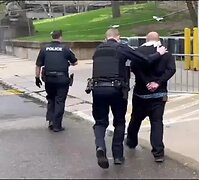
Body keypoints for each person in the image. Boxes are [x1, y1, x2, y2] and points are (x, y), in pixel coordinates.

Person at [90, 28, 167, 169]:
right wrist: (159, 53)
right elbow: (145, 59)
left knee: (100, 122)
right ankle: (118, 156)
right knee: (119, 122)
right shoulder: (121, 47)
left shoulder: (98, 50)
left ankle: (100, 147)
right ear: (118, 37)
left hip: (97, 88)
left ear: (106, 37)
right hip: (116, 89)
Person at [125, 32, 176, 163]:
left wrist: (147, 82)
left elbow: (135, 68)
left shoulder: (138, 51)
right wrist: (158, 82)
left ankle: (131, 141)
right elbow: (171, 69)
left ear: (146, 39)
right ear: (158, 40)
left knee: (135, 118)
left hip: (141, 93)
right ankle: (158, 152)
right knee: (157, 122)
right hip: (159, 94)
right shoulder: (166, 52)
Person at [35, 30, 78, 132]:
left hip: (49, 79)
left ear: (52, 37)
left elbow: (38, 65)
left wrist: (37, 77)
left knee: (51, 99)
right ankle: (57, 125)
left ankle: (50, 120)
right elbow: (75, 62)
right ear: (60, 37)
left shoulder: (44, 49)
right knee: (60, 100)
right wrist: (67, 62)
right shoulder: (66, 49)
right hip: (62, 79)